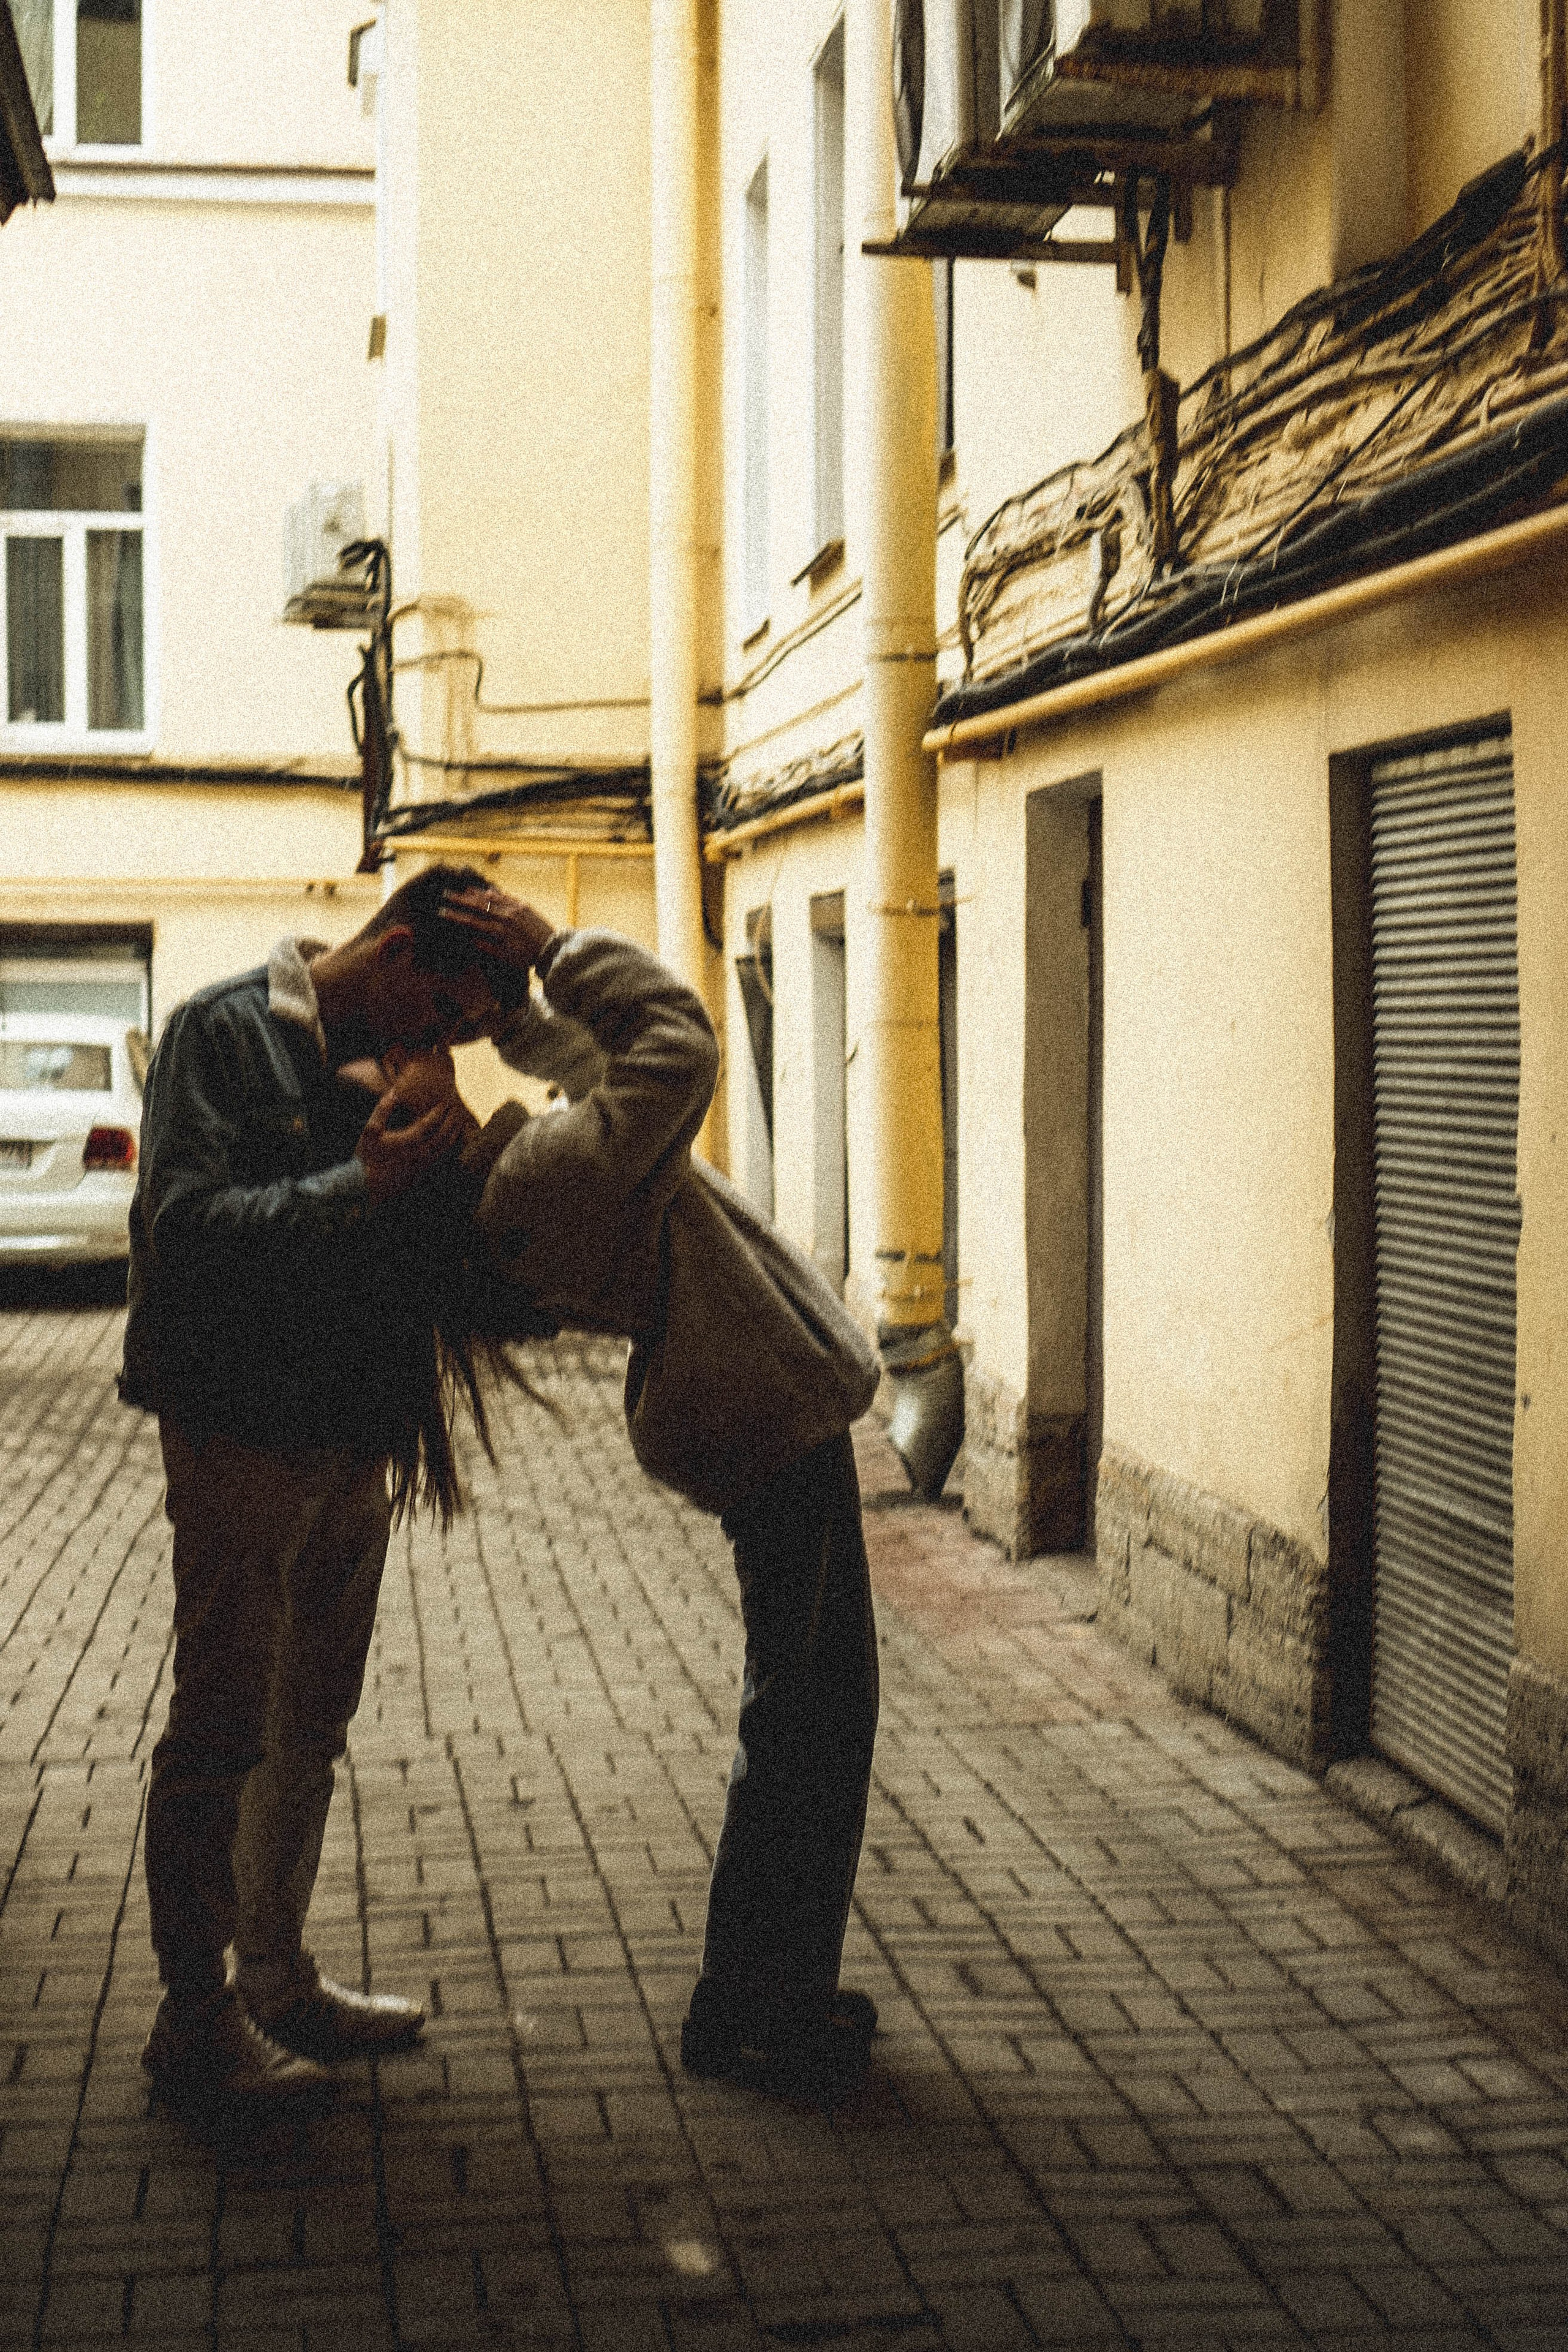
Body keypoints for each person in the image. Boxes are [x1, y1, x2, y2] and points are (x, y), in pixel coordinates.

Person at [434, 886, 884, 2103]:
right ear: (413, 1125)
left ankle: (759, 1993)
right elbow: (673, 1046)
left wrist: (515, 1016)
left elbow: (603, 1079)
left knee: (807, 1707)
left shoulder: (522, 1179)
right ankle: (756, 2005)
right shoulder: (529, 1183)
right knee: (806, 1720)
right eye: (417, 1057)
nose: (434, 1060)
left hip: (753, 1408)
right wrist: (553, 948)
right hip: (765, 1412)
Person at [120, 865, 509, 2124]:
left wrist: (441, 1148)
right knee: (221, 1721)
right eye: (443, 1012)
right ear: (395, 954)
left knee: (309, 1718)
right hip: (238, 1428)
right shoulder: (221, 1031)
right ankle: (194, 2015)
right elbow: (185, 1229)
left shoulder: (385, 1066)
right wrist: (361, 1185)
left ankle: (276, 1978)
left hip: (351, 1432)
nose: (443, 1040)